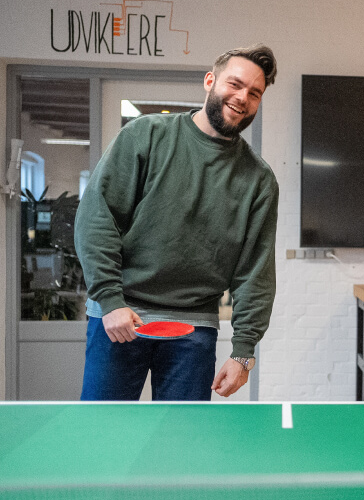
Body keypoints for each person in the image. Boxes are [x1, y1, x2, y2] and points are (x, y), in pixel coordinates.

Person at [75, 44, 279, 401]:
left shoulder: (259, 180)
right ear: (210, 81)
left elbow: (255, 271)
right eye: (234, 84)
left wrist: (243, 352)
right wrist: (109, 299)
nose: (242, 98)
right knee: (103, 430)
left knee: (183, 434)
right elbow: (97, 217)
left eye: (254, 93)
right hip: (121, 314)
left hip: (194, 326)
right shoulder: (146, 135)